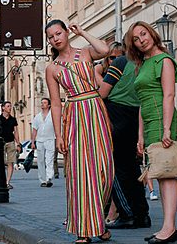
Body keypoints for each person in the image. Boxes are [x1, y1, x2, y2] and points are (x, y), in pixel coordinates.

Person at [45, 20, 114, 243]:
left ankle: (98, 221)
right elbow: (56, 103)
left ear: (66, 32)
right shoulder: (52, 68)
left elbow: (105, 50)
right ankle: (84, 230)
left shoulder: (85, 52)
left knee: (105, 170)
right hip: (73, 114)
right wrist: (59, 135)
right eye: (51, 36)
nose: (56, 38)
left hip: (95, 110)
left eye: (59, 33)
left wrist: (82, 32)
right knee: (79, 173)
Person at [125, 21, 177, 244]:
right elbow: (141, 102)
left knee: (167, 173)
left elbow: (169, 96)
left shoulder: (164, 60)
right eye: (136, 39)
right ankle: (168, 228)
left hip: (163, 119)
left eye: (143, 34)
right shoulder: (143, 64)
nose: (141, 40)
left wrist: (167, 128)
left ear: (151, 33)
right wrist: (140, 135)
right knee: (160, 173)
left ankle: (169, 228)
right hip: (149, 122)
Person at [97, 46, 152, 229]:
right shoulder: (145, 64)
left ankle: (127, 213)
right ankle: (141, 214)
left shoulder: (121, 62)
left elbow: (102, 93)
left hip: (116, 115)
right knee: (132, 168)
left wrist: (94, 74)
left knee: (113, 168)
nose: (112, 59)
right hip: (136, 116)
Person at [31, 97, 56, 187]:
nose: (42, 104)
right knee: (41, 161)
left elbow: (57, 127)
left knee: (49, 159)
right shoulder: (37, 117)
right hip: (40, 140)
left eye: (45, 103)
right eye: (41, 103)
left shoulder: (53, 115)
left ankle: (49, 178)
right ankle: (42, 180)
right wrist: (33, 142)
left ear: (49, 105)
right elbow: (34, 130)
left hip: (50, 139)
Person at [0, 101, 22, 190]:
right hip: (1, 142)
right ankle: (1, 180)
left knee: (11, 162)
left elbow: (15, 131)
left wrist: (18, 143)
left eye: (10, 106)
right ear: (3, 108)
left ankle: (7, 182)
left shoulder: (13, 119)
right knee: (0, 162)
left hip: (10, 142)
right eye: (8, 106)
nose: (10, 108)